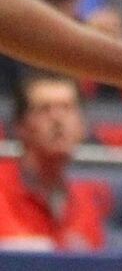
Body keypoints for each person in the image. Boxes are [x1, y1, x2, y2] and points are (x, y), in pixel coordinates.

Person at [0, 71, 108, 250]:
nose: (58, 119)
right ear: (20, 126)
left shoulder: (87, 203)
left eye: (67, 108)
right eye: (44, 109)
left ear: (82, 127)